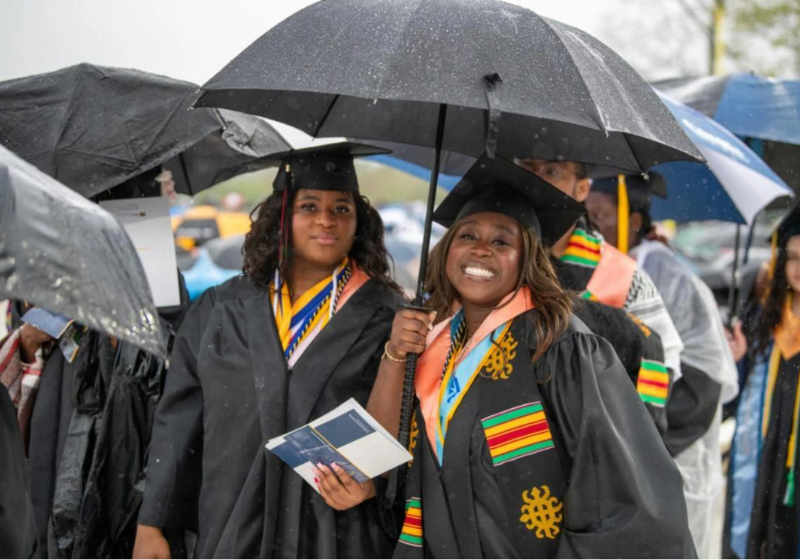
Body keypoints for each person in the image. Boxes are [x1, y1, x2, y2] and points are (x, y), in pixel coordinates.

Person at [368, 154, 695, 558]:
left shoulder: (561, 347)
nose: (481, 250)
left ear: (528, 259)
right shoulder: (433, 342)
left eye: (502, 240)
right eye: (467, 235)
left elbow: (618, 491)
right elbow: (399, 468)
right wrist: (396, 354)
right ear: (446, 249)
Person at [134, 143, 405, 559]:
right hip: (232, 522)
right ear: (281, 217)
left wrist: (377, 485)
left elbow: (408, 429)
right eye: (308, 206)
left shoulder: (387, 317)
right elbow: (179, 421)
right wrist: (152, 524)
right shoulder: (221, 308)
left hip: (337, 531)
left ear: (359, 222)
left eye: (341, 209)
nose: (325, 221)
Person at [585, 174, 738, 559]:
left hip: (673, 433)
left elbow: (697, 376)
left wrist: (644, 445)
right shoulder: (603, 264)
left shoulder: (658, 270)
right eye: (588, 216)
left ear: (634, 221)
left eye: (602, 215)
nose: (593, 226)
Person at [728, 203, 800, 558]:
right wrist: (736, 361)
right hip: (761, 458)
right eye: (795, 257)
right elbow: (736, 396)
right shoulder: (766, 322)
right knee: (757, 531)